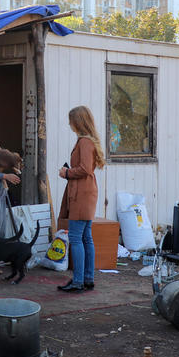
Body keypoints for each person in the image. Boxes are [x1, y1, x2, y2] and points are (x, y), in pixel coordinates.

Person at [57, 106, 105, 293]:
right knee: (86, 237)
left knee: (76, 238)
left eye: (71, 120)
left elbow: (84, 169)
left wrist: (66, 172)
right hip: (87, 191)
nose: (69, 124)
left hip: (81, 193)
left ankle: (78, 281)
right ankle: (87, 278)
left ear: (78, 121)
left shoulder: (84, 142)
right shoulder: (89, 141)